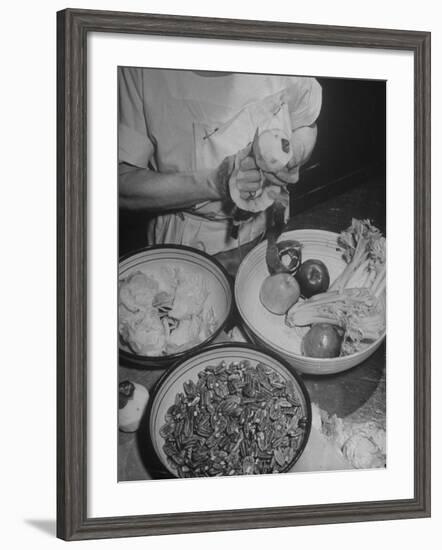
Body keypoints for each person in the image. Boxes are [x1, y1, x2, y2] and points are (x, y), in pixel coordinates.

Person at [119, 68, 321, 270]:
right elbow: (120, 186)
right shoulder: (139, 70)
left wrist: (295, 154)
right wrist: (213, 184)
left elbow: (306, 124)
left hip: (270, 230)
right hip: (189, 246)